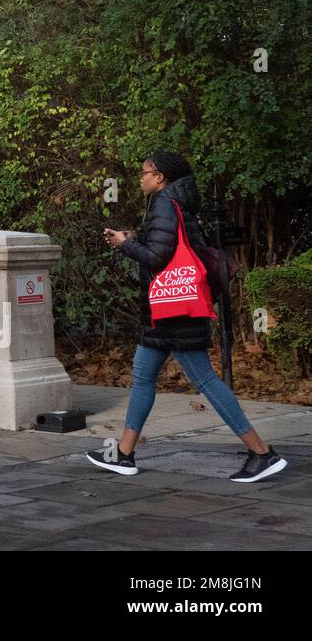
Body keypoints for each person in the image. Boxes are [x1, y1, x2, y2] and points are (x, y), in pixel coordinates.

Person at [85, 151, 286, 482]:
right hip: (165, 311)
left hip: (174, 310)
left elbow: (156, 257)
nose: (141, 177)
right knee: (142, 375)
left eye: (145, 172)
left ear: (160, 177)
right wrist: (134, 238)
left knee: (204, 379)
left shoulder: (164, 203)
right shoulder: (176, 203)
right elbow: (168, 246)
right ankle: (123, 453)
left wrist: (125, 244)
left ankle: (262, 452)